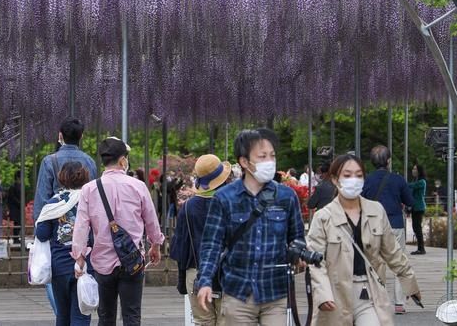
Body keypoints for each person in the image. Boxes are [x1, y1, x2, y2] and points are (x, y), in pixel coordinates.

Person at [196, 129, 305, 325]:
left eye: (272, 156)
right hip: (238, 291)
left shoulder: (286, 197)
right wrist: (205, 281)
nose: (269, 161)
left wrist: (299, 253)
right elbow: (211, 245)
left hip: (275, 291)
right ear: (244, 162)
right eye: (262, 156)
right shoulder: (224, 198)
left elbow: (297, 237)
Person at [307, 154, 421, 325]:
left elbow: (393, 252)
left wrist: (410, 283)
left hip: (368, 290)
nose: (353, 180)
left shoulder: (376, 210)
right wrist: (323, 294)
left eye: (359, 175)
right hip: (335, 292)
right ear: (335, 179)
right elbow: (316, 262)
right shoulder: (323, 217)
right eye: (347, 175)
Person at [72, 137, 164, 326]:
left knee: (105, 316)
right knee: (132, 316)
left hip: (102, 261)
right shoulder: (138, 186)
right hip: (132, 260)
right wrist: (155, 245)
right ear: (123, 160)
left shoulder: (89, 189)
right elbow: (151, 220)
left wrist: (79, 257)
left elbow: (81, 226)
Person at [171, 154, 231, 326]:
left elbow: (181, 249)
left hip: (195, 272)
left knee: (203, 322)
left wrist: (182, 281)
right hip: (227, 273)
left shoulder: (188, 208)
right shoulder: (231, 203)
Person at [36, 162, 94, 326]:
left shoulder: (54, 203)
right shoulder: (91, 200)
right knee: (82, 314)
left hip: (60, 266)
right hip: (86, 265)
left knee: (62, 315)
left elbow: (41, 234)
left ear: (61, 178)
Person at [362, 145, 414, 314]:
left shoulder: (366, 180)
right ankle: (399, 303)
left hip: (373, 224)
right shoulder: (398, 180)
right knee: (398, 261)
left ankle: (378, 299)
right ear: (389, 161)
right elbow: (410, 201)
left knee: (376, 262)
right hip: (395, 223)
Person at [408, 164, 427, 255]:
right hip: (415, 207)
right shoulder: (415, 180)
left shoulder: (421, 182)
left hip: (419, 207)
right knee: (415, 227)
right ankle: (420, 247)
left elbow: (412, 186)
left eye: (415, 169)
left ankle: (421, 248)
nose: (413, 170)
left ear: (419, 171)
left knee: (417, 228)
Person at [8, 171, 22, 244]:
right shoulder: (13, 186)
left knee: (19, 223)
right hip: (15, 208)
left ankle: (17, 237)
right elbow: (12, 197)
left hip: (19, 208)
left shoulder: (20, 185)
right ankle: (15, 238)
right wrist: (20, 203)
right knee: (17, 223)